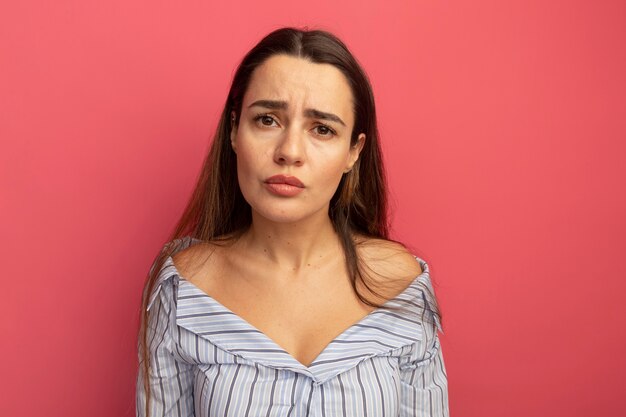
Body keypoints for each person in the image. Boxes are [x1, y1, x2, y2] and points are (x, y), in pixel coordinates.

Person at [136, 26, 449, 417]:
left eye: (322, 129)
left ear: (354, 151)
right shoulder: (183, 289)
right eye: (267, 120)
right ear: (234, 131)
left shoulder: (400, 285)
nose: (289, 151)